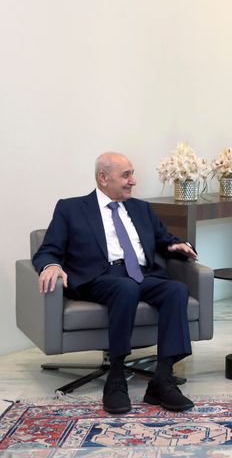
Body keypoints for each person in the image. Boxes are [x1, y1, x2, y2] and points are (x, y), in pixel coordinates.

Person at [32, 152, 198, 414]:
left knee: (176, 290)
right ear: (103, 177)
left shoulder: (141, 208)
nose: (133, 180)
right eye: (126, 175)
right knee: (125, 288)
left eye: (132, 174)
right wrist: (51, 265)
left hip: (142, 275)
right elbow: (47, 250)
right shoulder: (71, 208)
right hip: (99, 278)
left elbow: (164, 238)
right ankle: (116, 377)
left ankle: (162, 379)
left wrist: (176, 245)